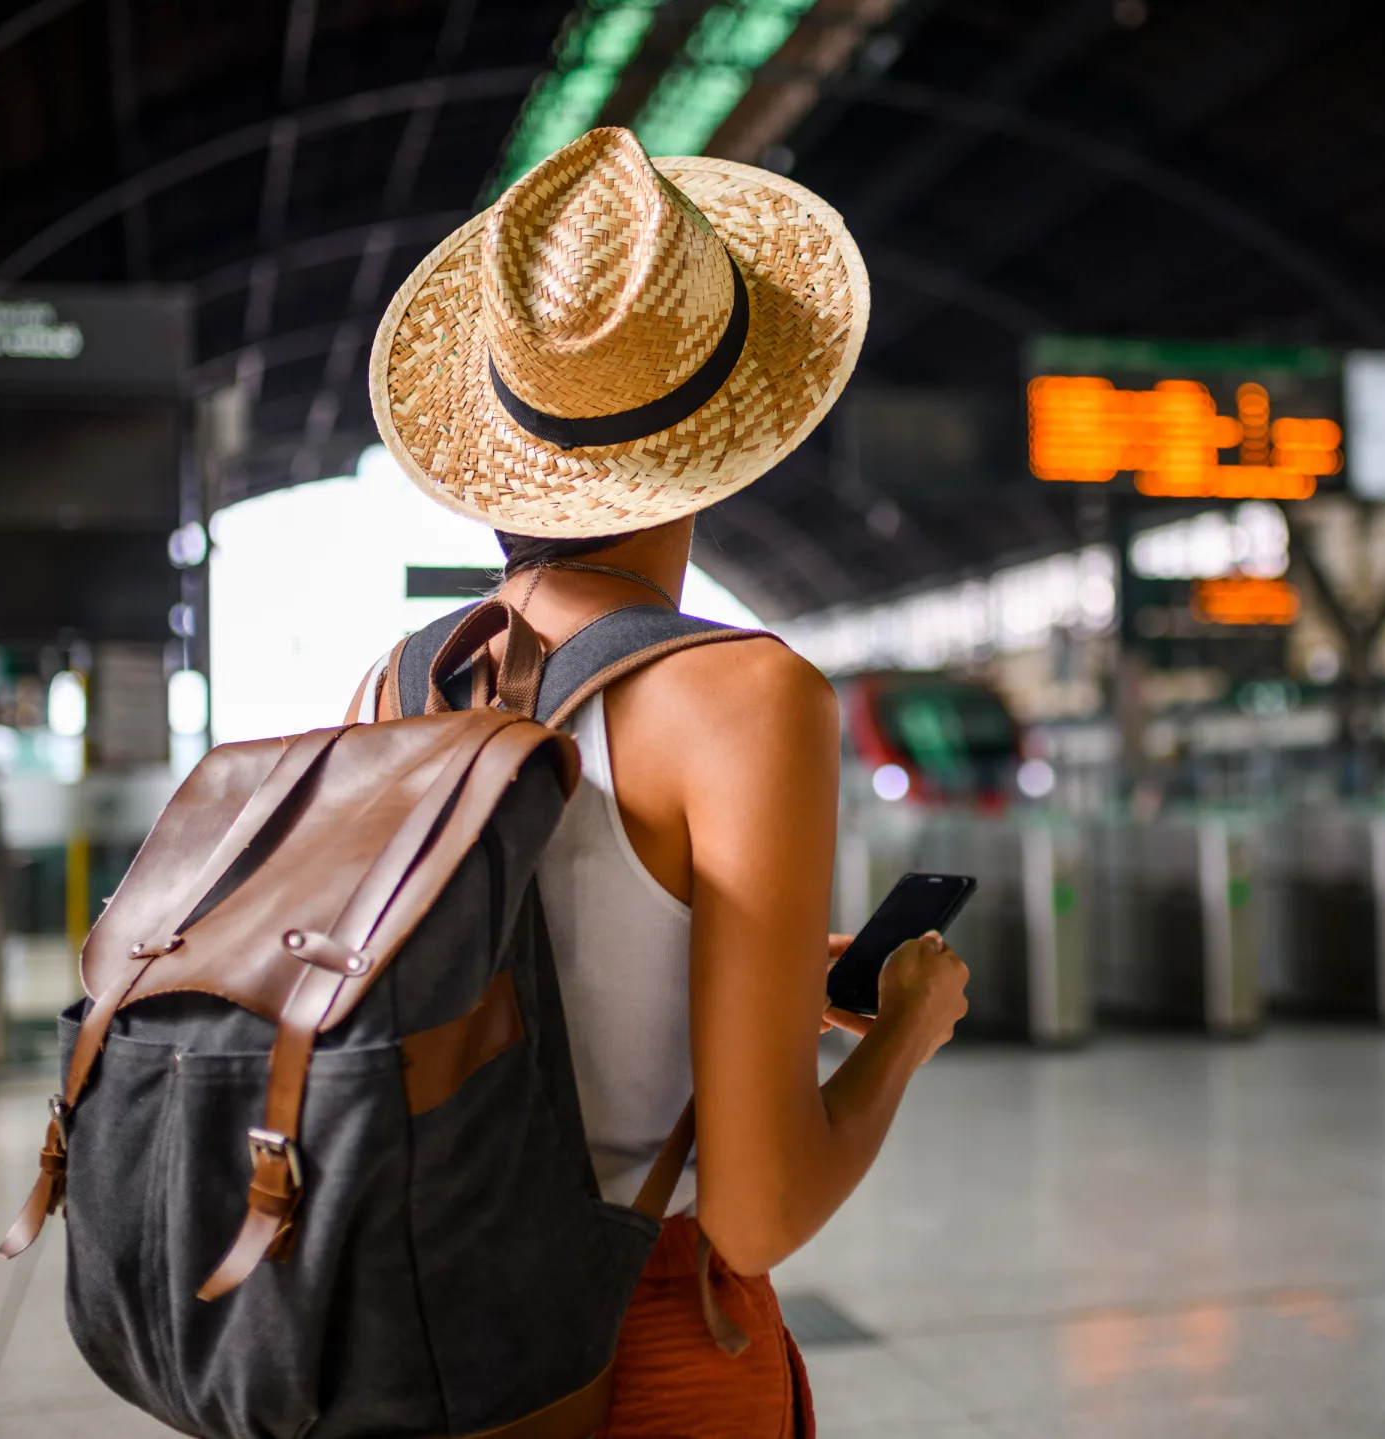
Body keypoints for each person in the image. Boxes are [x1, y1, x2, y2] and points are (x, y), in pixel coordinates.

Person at [365, 125, 970, 1437]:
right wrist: (906, 1034)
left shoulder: (392, 681)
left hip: (411, 1345)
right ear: (726, 439)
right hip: (634, 1360)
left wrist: (766, 987)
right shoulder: (744, 697)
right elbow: (757, 1209)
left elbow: (508, 997)